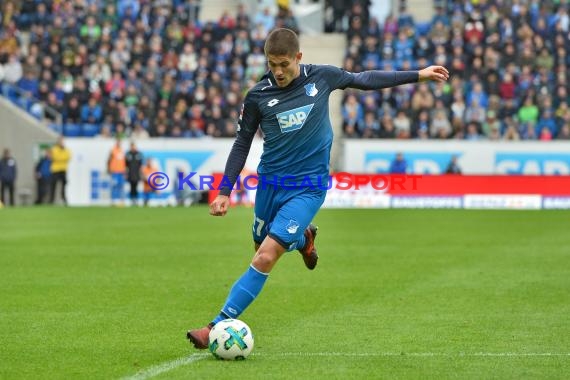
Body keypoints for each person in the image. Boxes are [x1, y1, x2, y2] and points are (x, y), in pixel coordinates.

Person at [186, 28, 449, 349]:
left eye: (284, 63)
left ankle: (216, 325)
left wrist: (418, 75)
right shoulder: (257, 96)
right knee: (260, 247)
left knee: (266, 257)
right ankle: (304, 238)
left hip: (308, 187)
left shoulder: (322, 78)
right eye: (272, 65)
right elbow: (242, 142)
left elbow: (365, 79)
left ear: (298, 57)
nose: (278, 71)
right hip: (270, 183)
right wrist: (224, 191)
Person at [50, 137, 71, 205]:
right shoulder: (54, 149)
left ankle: (64, 199)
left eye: (62, 141)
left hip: (63, 170)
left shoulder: (67, 150)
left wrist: (60, 158)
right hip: (55, 170)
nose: (61, 143)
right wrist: (62, 158)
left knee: (63, 186)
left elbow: (68, 157)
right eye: (60, 141)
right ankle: (52, 200)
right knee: (53, 186)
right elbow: (55, 157)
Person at [107, 139, 126, 206]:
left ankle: (121, 201)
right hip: (114, 171)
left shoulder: (122, 150)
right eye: (118, 141)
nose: (119, 143)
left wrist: (124, 170)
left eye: (120, 142)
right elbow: (109, 160)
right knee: (114, 186)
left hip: (121, 171)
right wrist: (109, 169)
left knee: (121, 186)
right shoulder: (112, 150)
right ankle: (113, 201)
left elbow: (124, 162)